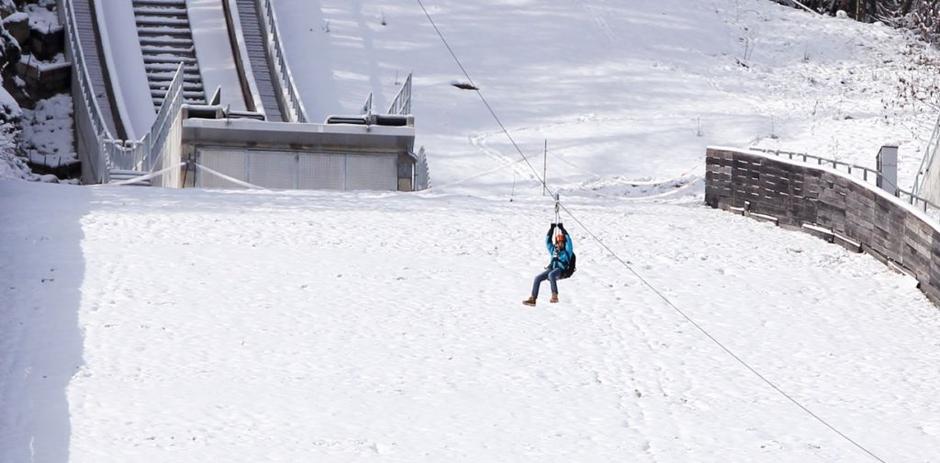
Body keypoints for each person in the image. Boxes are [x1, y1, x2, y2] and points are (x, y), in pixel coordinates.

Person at [523, 223, 573, 306]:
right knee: (537, 278)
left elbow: (569, 241)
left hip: (561, 270)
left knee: (551, 275)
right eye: (558, 242)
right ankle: (533, 299)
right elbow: (548, 242)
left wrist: (562, 229)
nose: (559, 244)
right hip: (552, 269)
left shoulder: (567, 251)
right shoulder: (554, 250)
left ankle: (555, 295)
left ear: (564, 243)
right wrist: (551, 229)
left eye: (561, 242)